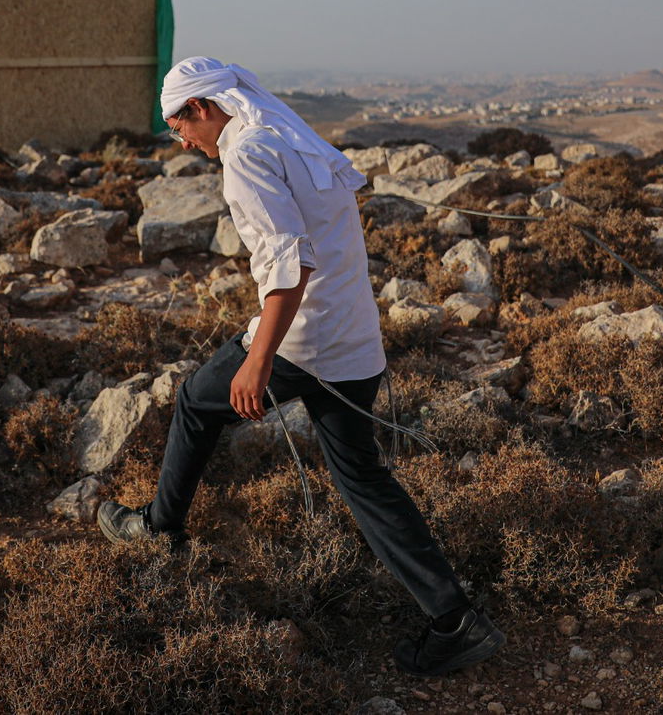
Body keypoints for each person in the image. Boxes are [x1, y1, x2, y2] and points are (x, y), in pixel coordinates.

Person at [97, 56, 504, 677]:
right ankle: (455, 622)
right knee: (362, 480)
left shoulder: (247, 156)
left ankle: (159, 528)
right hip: (354, 339)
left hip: (303, 342)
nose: (179, 140)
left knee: (195, 402)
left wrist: (257, 365)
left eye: (178, 126)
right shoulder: (287, 135)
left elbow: (290, 269)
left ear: (203, 109)